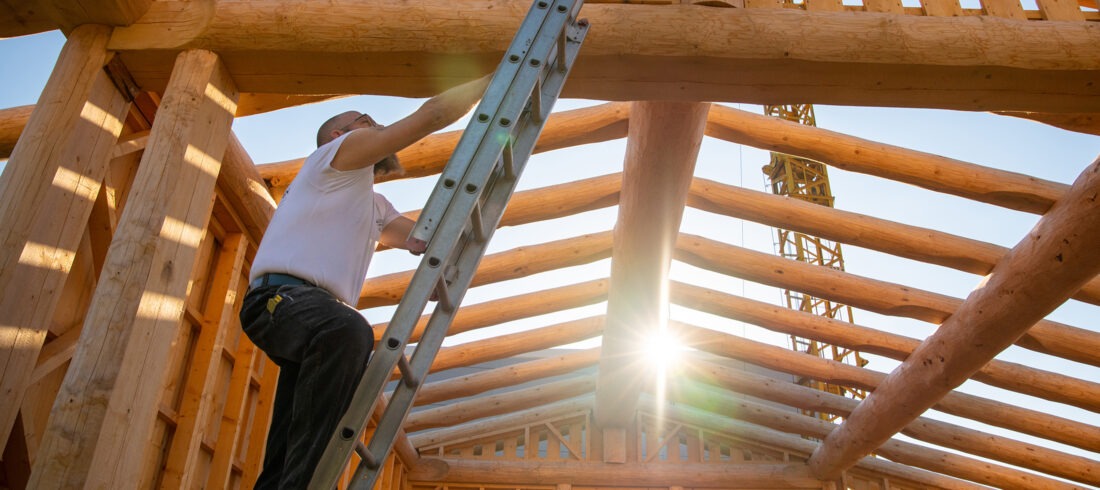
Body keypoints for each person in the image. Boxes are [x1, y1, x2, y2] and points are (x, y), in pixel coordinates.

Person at [239, 76, 489, 489]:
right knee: (347, 329)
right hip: (279, 301)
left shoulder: (372, 202)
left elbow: (418, 238)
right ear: (338, 135)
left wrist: (479, 205)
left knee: (291, 435)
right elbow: (433, 115)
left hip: (313, 316)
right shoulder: (333, 157)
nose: (376, 127)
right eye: (367, 120)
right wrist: (491, 81)